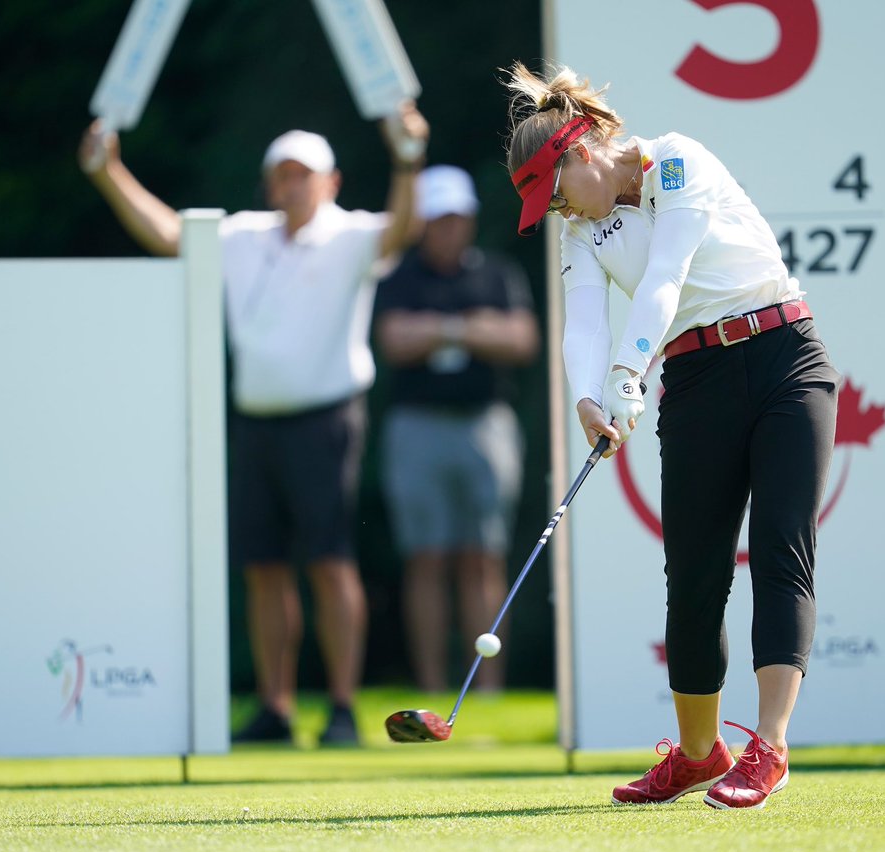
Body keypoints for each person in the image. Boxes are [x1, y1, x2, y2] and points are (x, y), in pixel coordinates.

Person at [503, 63, 839, 809]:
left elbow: (666, 271)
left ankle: (770, 747)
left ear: (580, 151)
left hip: (786, 357)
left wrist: (627, 374)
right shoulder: (580, 232)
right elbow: (582, 323)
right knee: (694, 574)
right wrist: (591, 396)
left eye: (554, 189)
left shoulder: (679, 158)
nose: (557, 207)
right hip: (696, 382)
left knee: (783, 545)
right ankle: (698, 753)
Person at [78, 105, 429, 746]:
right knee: (262, 566)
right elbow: (165, 233)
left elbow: (404, 227)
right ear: (270, 182)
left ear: (331, 182)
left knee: (328, 561)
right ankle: (276, 706)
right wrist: (110, 173)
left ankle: (343, 708)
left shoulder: (351, 234)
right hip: (257, 424)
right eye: (283, 174)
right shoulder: (242, 236)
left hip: (328, 420)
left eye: (304, 174)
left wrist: (408, 159)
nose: (291, 184)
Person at [373, 165, 539, 692]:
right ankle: (430, 686)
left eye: (457, 218)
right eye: (439, 219)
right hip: (417, 427)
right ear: (422, 222)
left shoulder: (496, 273)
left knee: (482, 558)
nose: (449, 228)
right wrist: (474, 329)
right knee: (426, 559)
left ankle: (485, 692)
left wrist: (439, 330)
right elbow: (393, 341)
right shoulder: (399, 276)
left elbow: (521, 340)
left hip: (485, 425)